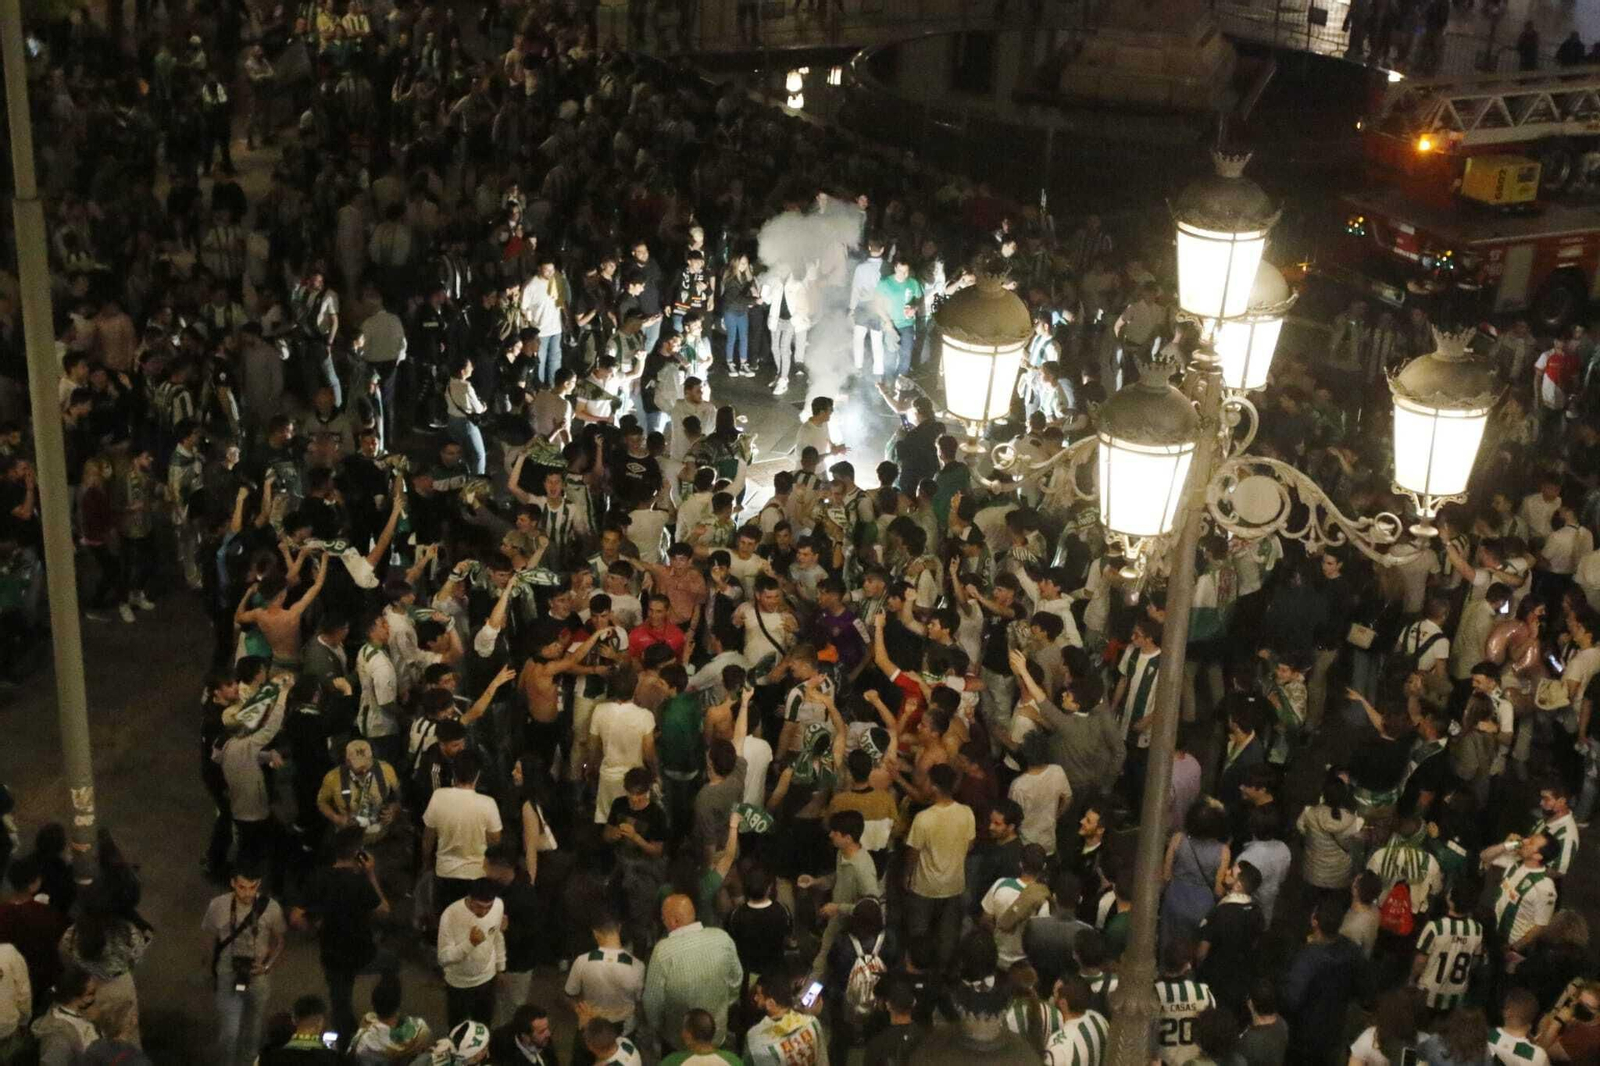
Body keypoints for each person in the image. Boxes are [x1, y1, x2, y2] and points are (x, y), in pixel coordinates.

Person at [290, 826, 393, 1043]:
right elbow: (384, 911)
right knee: (391, 964)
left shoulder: (318, 878)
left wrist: (313, 930)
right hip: (363, 953)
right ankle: (386, 1008)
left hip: (332, 954)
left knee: (340, 1002)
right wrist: (371, 874)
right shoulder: (360, 882)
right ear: (358, 853)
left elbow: (296, 917)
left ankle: (346, 1042)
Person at [202, 863, 286, 1066]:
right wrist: (210, 968)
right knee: (229, 1031)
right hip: (228, 971)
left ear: (259, 884)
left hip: (258, 974)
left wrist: (267, 966)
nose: (247, 893)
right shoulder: (218, 906)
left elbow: (279, 941)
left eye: (252, 887)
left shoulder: (271, 908)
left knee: (254, 1028)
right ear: (233, 883)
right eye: (242, 887)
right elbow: (209, 938)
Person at [642, 894, 744, 1053]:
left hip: (680, 1040)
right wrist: (724, 1004)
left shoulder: (663, 951)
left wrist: (658, 1028)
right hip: (716, 1032)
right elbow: (736, 980)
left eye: (663, 918)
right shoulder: (722, 938)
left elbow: (653, 1002)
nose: (662, 921)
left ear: (674, 921)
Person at [422, 750, 504, 917]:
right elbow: (496, 840)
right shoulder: (488, 804)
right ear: (478, 775)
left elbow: (428, 838)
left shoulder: (438, 797)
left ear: (454, 772)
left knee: (446, 917)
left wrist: (425, 864)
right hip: (477, 874)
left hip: (445, 872)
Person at [437, 878, 506, 1029]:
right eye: (479, 906)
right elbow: (443, 958)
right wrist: (470, 944)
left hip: (487, 979)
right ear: (469, 898)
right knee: (458, 1028)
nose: (484, 912)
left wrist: (500, 967)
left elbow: (497, 937)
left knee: (484, 1026)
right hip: (459, 984)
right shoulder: (450, 915)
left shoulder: (498, 905)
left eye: (488, 907)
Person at [746, 964, 828, 1065]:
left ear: (771, 1003)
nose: (755, 998)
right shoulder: (813, 1023)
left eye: (759, 995)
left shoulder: (755, 1039)